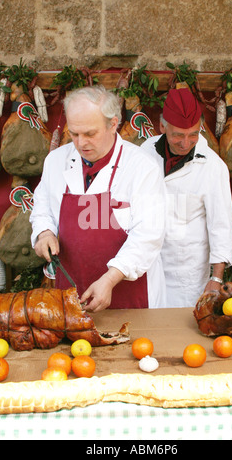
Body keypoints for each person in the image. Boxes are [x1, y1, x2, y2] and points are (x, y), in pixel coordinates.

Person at [30, 85, 166, 312]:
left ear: (113, 124)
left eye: (90, 134)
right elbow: (42, 209)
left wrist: (110, 279)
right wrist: (44, 233)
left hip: (129, 294)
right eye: (74, 133)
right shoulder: (55, 161)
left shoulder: (142, 167)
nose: (81, 143)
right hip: (71, 291)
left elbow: (148, 236)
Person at [141, 88, 232, 307]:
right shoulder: (145, 151)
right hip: (146, 267)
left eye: (193, 134)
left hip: (187, 275)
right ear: (162, 126)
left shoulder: (213, 167)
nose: (186, 143)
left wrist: (216, 279)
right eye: (178, 135)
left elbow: (221, 227)